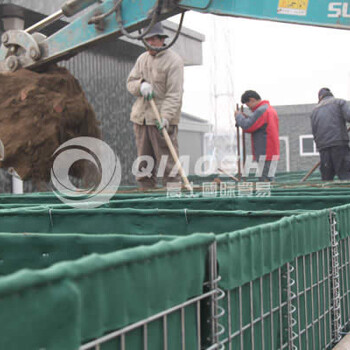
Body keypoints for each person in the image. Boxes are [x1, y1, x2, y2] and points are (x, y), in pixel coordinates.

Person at [126, 22, 184, 189]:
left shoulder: (173, 61)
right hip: (141, 119)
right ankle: (146, 197)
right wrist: (141, 85)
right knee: (144, 166)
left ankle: (174, 202)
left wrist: (166, 117)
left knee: (169, 166)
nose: (149, 43)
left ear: (161, 40)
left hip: (161, 121)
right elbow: (130, 83)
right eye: (146, 40)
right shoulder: (142, 59)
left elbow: (175, 94)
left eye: (152, 40)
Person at [235, 90, 280, 181]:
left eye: (248, 105)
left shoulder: (261, 111)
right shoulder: (269, 109)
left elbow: (247, 126)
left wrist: (238, 116)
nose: (250, 109)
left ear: (252, 100)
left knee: (265, 182)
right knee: (269, 179)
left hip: (265, 152)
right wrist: (246, 117)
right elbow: (256, 123)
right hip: (271, 152)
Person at [310, 88, 350, 180]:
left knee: (326, 179)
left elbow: (314, 132)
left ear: (320, 98)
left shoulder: (314, 111)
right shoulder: (339, 103)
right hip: (339, 145)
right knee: (345, 176)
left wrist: (320, 147)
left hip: (323, 148)